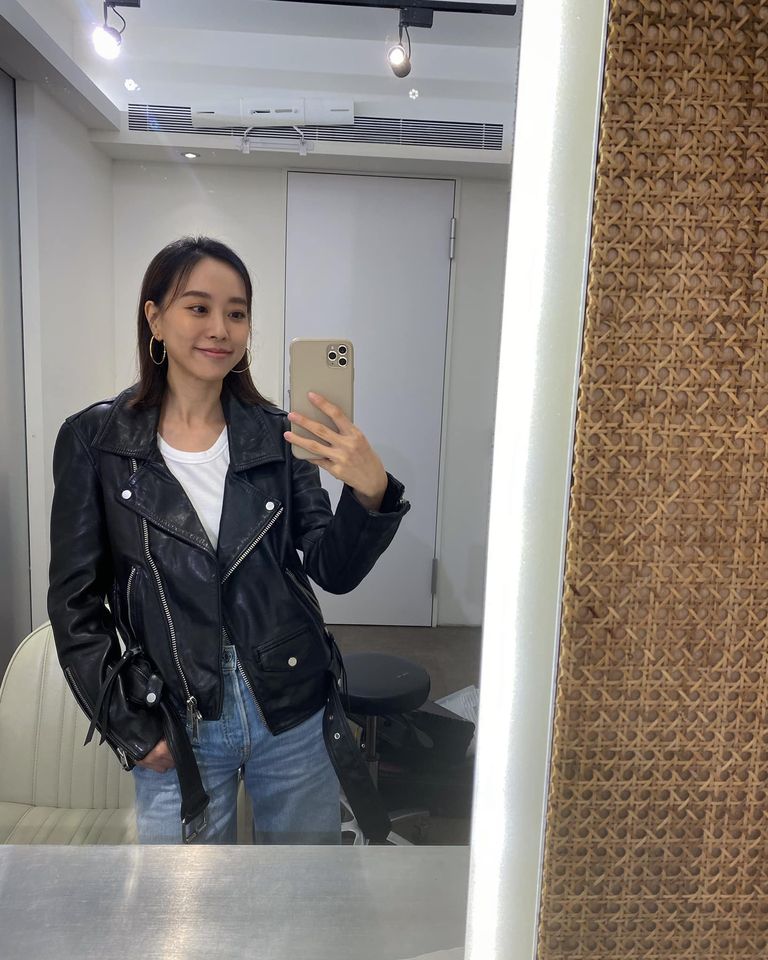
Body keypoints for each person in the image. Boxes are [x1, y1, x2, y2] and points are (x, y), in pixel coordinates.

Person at [47, 236, 410, 844]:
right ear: (154, 318)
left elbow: (332, 568)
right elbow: (74, 603)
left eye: (237, 313)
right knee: (184, 900)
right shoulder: (97, 440)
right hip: (176, 715)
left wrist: (370, 494)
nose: (220, 328)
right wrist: (130, 726)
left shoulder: (278, 435)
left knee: (301, 891)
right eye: (198, 308)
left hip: (292, 706)